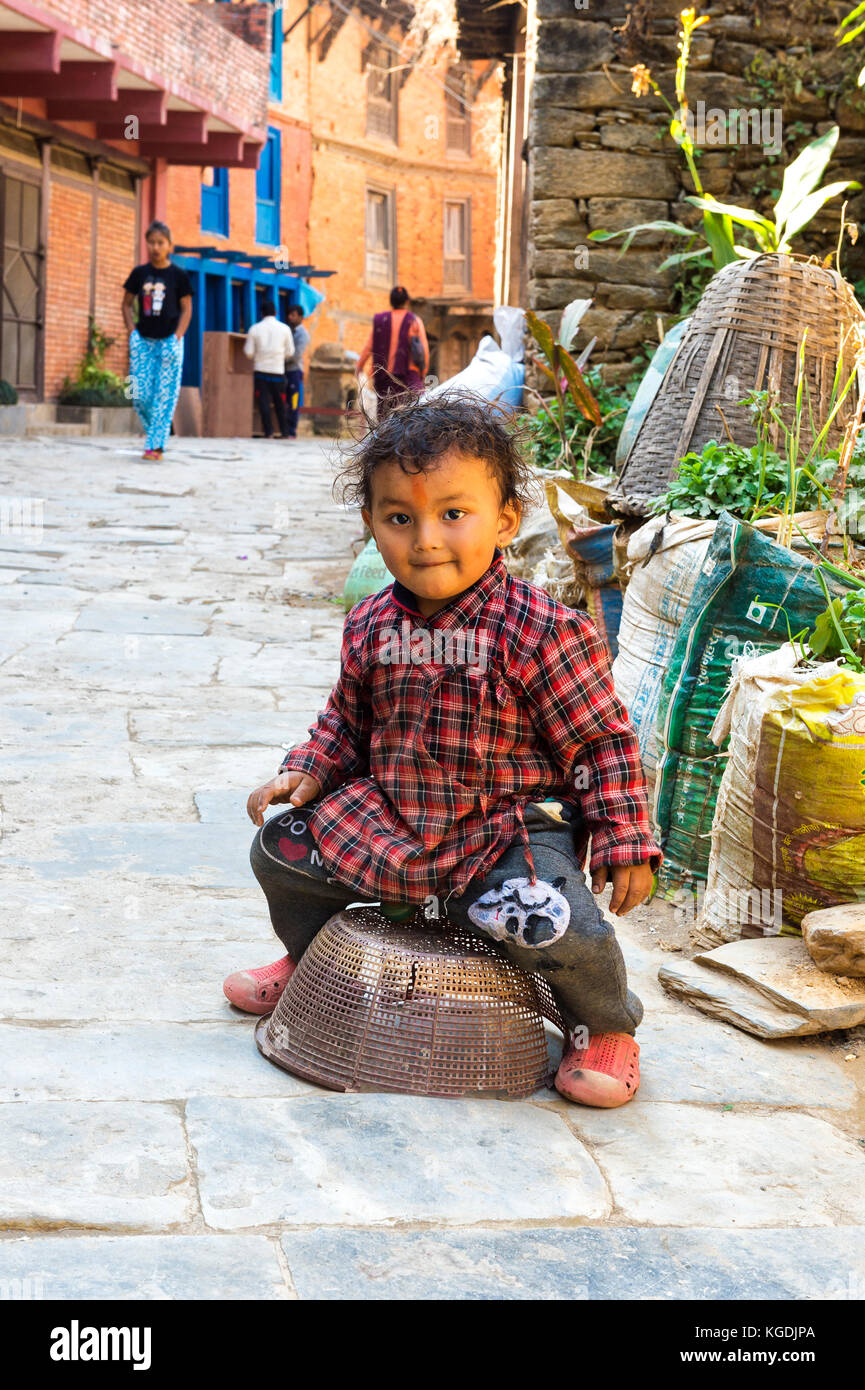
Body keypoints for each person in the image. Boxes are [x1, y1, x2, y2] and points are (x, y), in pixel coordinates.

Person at [223, 391, 662, 1109]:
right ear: (370, 525)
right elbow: (345, 719)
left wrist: (623, 836)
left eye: (453, 514)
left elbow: (600, 743)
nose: (425, 539)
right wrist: (306, 768)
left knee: (557, 923)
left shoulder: (543, 632)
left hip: (504, 835)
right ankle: (308, 962)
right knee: (280, 850)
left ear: (505, 521)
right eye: (399, 517)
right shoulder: (369, 624)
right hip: (393, 816)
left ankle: (604, 1025)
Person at [122, 221, 193, 462]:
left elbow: (187, 309)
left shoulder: (179, 276)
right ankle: (160, 429)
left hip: (170, 342)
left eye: (160, 242)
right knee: (137, 394)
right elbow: (126, 304)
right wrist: (132, 332)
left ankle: (155, 446)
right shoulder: (139, 274)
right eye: (151, 242)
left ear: (169, 246)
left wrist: (177, 337)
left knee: (165, 395)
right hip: (142, 341)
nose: (155, 247)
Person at [355, 285, 429, 419]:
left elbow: (368, 347)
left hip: (384, 377)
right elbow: (423, 351)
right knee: (410, 417)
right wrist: (422, 374)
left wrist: (359, 366)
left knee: (384, 418)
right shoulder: (414, 321)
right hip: (408, 379)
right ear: (407, 302)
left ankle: (384, 440)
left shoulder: (381, 321)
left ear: (391, 301)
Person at [244, 299, 295, 439]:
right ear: (276, 312)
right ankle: (284, 432)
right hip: (278, 371)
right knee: (280, 404)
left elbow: (248, 352)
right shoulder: (285, 329)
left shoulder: (254, 329)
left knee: (263, 403)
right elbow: (290, 352)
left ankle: (269, 432)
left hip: (260, 371)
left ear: (261, 313)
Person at [284, 304, 310, 439]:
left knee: (294, 401)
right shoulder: (287, 330)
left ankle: (291, 430)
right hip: (284, 371)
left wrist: (280, 359)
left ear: (300, 317)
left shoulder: (303, 334)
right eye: (289, 314)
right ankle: (284, 429)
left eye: (293, 315)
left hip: (294, 371)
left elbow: (296, 355)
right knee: (285, 401)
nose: (290, 317)